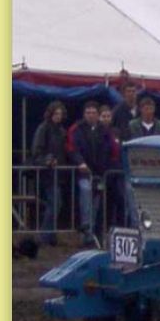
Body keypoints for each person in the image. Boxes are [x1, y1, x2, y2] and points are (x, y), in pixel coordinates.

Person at [67, 101, 116, 247]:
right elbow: (71, 148)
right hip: (83, 172)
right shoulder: (77, 129)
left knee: (96, 203)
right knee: (86, 193)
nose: (91, 115)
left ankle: (93, 233)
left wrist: (106, 166)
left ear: (97, 114)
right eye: (88, 112)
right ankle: (86, 230)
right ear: (84, 114)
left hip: (100, 174)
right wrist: (80, 162)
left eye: (93, 112)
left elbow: (112, 150)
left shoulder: (105, 131)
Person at [30, 100, 68, 246]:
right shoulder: (43, 129)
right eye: (56, 113)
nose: (58, 116)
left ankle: (50, 234)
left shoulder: (61, 131)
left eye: (60, 114)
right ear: (50, 114)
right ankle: (45, 235)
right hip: (47, 173)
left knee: (56, 203)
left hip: (58, 173)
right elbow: (36, 151)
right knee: (55, 202)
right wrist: (47, 160)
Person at [99, 104, 124, 228]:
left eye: (108, 116)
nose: (106, 119)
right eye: (104, 116)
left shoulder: (116, 132)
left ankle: (120, 226)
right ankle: (102, 228)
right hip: (102, 172)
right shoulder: (96, 132)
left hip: (116, 172)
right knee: (103, 203)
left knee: (119, 199)